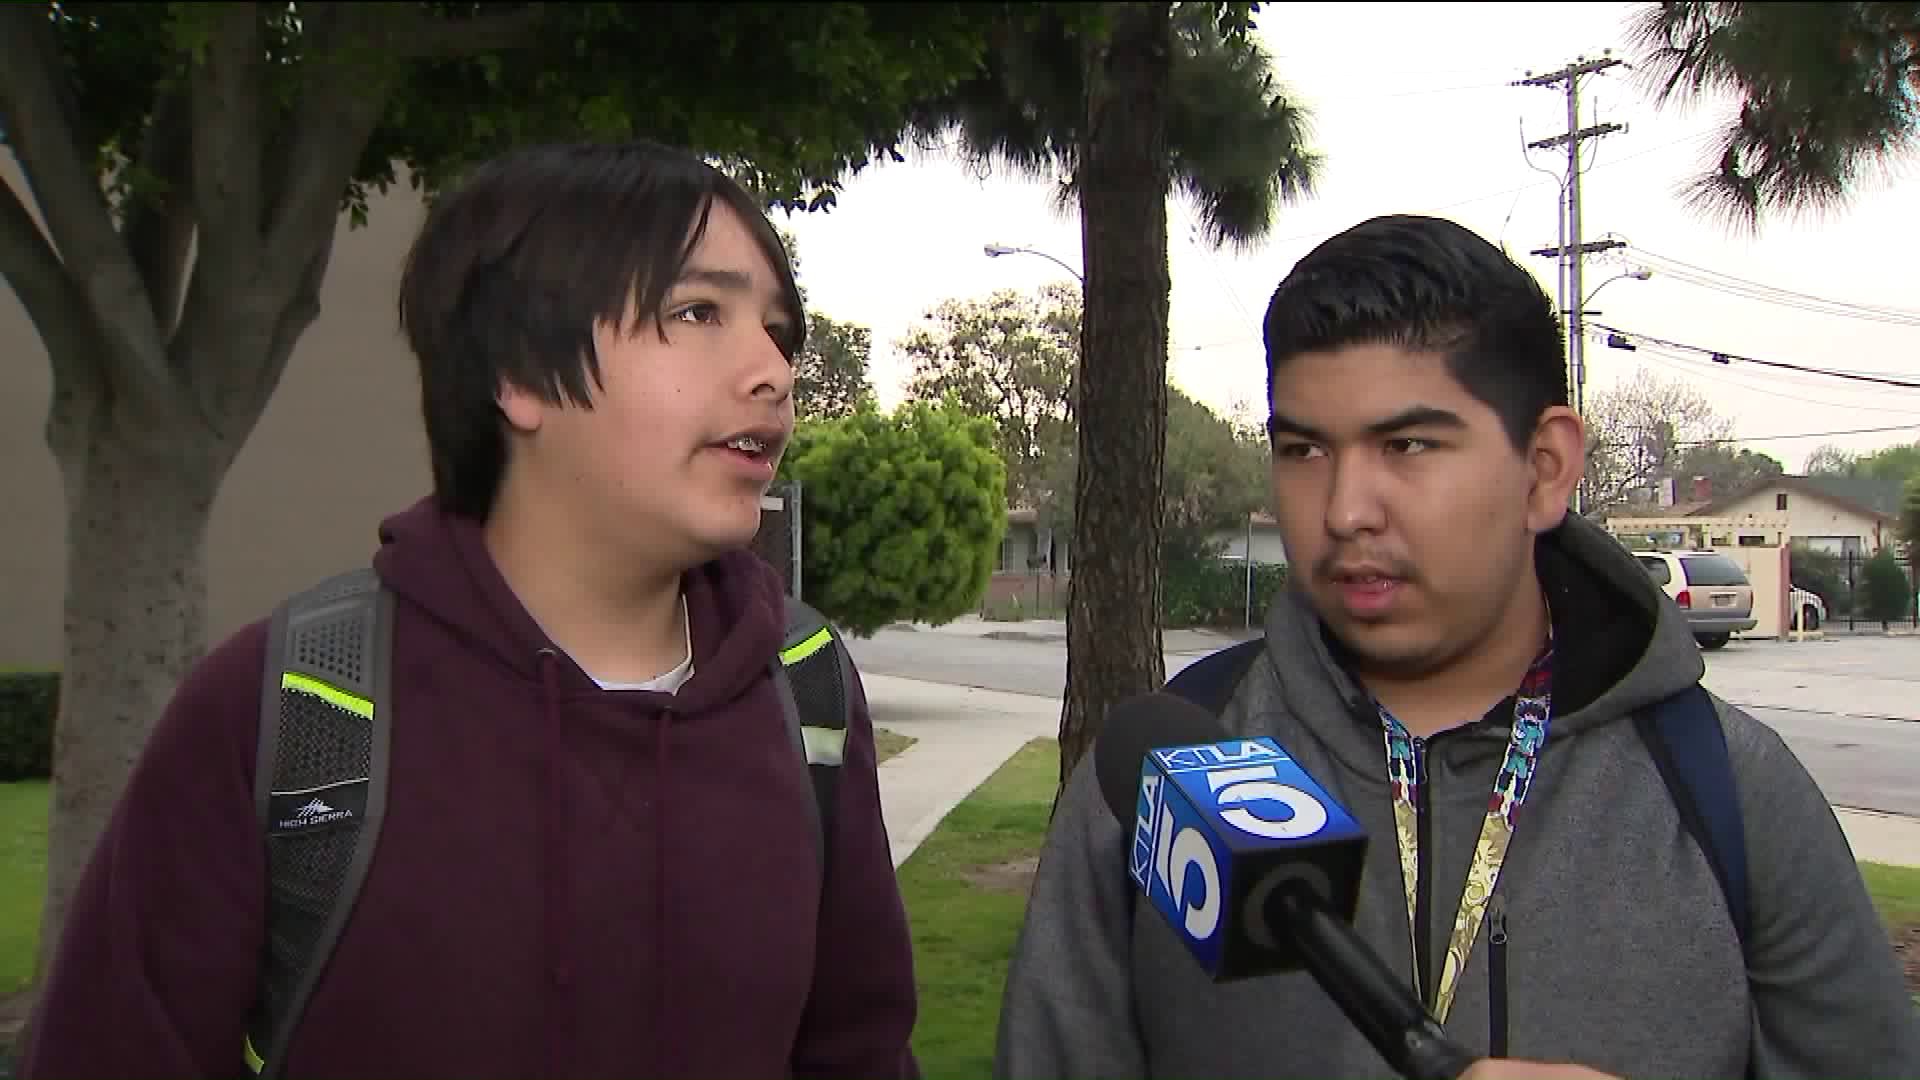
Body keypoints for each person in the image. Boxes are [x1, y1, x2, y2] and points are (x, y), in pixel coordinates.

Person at [21, 141, 919, 1080]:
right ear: (518, 376)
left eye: (779, 330)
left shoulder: (804, 688)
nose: (772, 368)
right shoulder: (291, 709)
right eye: (698, 312)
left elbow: (859, 1050)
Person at [993, 214, 1920, 1080]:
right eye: (1304, 450)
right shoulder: (1168, 771)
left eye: (1407, 445)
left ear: (1546, 468)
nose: (1346, 509)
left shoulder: (1732, 797)